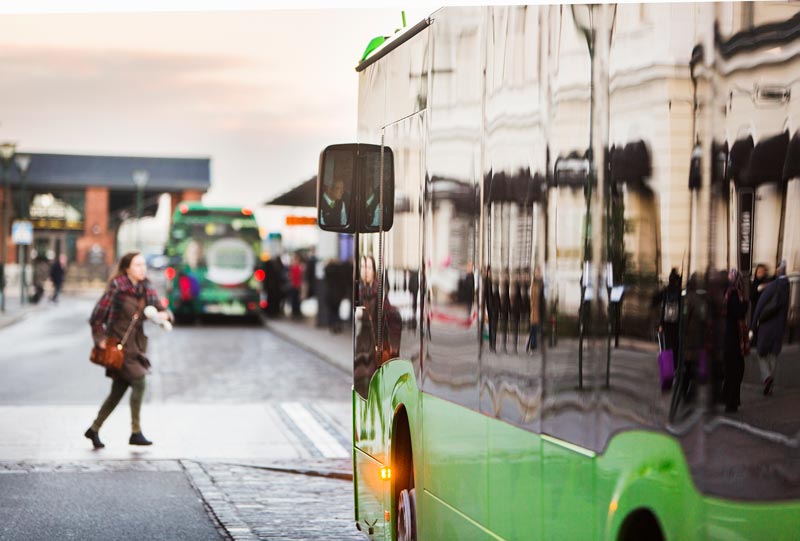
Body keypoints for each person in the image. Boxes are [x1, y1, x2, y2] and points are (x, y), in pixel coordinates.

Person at [84, 252, 172, 449]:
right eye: (138, 265)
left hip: (136, 347)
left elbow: (162, 308)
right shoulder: (117, 289)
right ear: (127, 268)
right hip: (118, 348)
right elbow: (97, 317)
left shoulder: (146, 288)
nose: (143, 268)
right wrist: (100, 340)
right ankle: (135, 432)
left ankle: (94, 429)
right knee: (140, 382)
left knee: (117, 392)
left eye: (143, 264)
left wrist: (165, 315)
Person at [751, 260, 790, 396]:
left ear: (778, 269)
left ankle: (767, 377)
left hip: (767, 326)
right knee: (774, 355)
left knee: (761, 354)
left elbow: (760, 306)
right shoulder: (787, 286)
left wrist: (753, 324)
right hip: (779, 327)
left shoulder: (772, 286)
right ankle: (771, 385)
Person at [722, 268, 748, 413]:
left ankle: (727, 397)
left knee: (731, 370)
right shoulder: (734, 294)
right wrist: (746, 305)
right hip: (733, 338)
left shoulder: (726, 292)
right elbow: (738, 313)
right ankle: (731, 402)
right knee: (736, 370)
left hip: (727, 337)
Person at [527, 265, 544, 353]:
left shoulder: (541, 283)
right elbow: (532, 298)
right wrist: (532, 307)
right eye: (537, 272)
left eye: (539, 272)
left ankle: (535, 345)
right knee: (533, 328)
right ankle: (532, 346)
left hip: (540, 309)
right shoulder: (534, 284)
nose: (538, 273)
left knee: (537, 329)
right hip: (535, 310)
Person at [288, 253, 304, 320]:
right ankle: (295, 313)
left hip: (297, 286)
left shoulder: (299, 267)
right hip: (294, 286)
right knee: (294, 301)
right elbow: (291, 277)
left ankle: (297, 313)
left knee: (297, 301)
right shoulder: (292, 268)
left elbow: (300, 277)